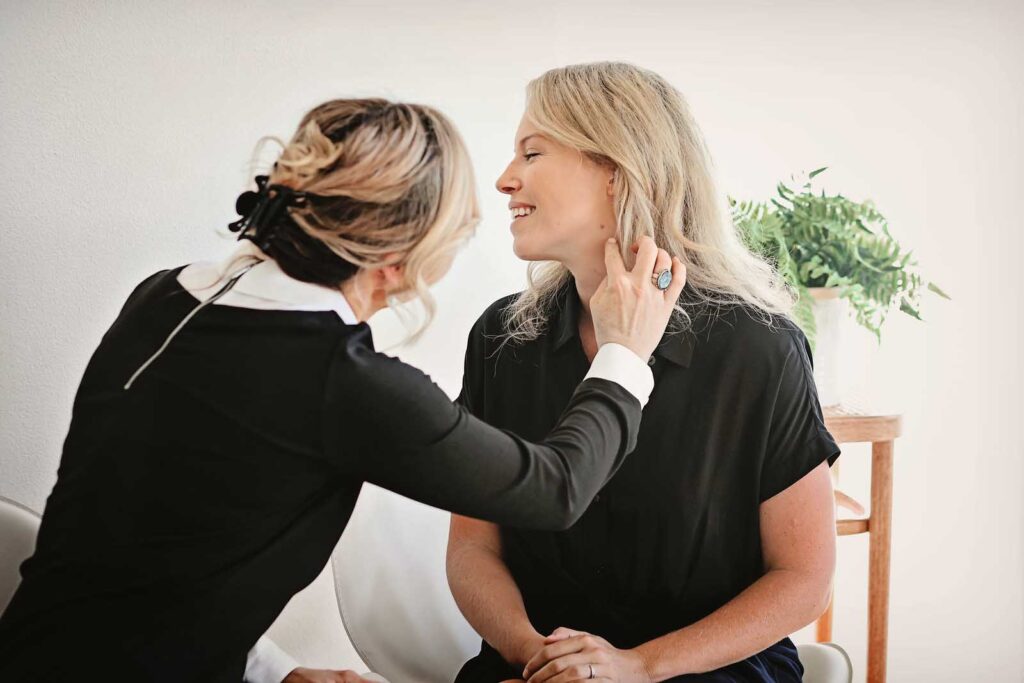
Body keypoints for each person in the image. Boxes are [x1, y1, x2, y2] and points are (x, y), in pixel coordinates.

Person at [0, 97, 686, 683]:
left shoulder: (165, 296)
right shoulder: (343, 383)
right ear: (394, 262)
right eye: (459, 232)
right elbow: (555, 488)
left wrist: (271, 670)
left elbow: (141, 555)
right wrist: (625, 351)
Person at [447, 62, 840, 683]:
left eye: (532, 152)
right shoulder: (501, 339)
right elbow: (473, 549)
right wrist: (538, 656)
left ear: (615, 169)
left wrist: (639, 666)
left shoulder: (760, 348)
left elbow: (803, 579)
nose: (504, 179)